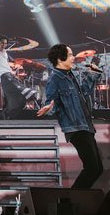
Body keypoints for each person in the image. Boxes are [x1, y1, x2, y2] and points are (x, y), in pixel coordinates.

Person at [37, 44, 104, 189]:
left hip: (85, 125)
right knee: (92, 168)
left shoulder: (70, 75)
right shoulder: (55, 79)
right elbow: (50, 103)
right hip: (76, 128)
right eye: (71, 55)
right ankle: (70, 200)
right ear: (60, 59)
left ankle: (74, 199)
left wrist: (92, 75)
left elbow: (83, 94)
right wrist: (49, 108)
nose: (74, 57)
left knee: (98, 169)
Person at [0, 35, 38, 119]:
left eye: (5, 43)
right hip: (4, 76)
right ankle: (29, 94)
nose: (4, 45)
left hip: (8, 76)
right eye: (2, 43)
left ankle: (6, 116)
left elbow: (5, 65)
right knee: (20, 93)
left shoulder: (4, 52)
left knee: (14, 99)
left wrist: (13, 75)